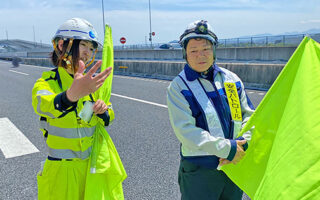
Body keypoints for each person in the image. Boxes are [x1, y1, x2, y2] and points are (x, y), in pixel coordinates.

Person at [32, 18, 123, 199]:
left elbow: (109, 115)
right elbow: (42, 104)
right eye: (83, 45)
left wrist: (103, 110)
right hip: (61, 171)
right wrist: (70, 95)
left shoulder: (91, 84)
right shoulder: (48, 82)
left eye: (91, 48)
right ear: (61, 45)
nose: (87, 53)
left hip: (92, 168)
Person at [167, 20, 255, 200]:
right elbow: (186, 132)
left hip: (233, 166)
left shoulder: (231, 79)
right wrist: (228, 149)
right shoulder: (179, 87)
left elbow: (248, 116)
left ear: (214, 51)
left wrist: (242, 144)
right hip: (200, 171)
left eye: (206, 49)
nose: (201, 55)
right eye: (193, 50)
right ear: (185, 54)